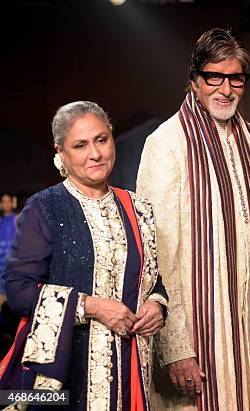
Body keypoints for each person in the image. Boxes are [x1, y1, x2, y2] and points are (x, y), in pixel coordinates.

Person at [136, 28, 250, 410]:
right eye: (214, 77)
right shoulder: (167, 144)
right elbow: (155, 252)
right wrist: (174, 347)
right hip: (200, 331)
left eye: (235, 78)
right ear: (194, 80)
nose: (225, 89)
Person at [0, 101, 168, 410]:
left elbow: (152, 279)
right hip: (65, 375)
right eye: (80, 145)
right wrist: (92, 306)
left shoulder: (139, 209)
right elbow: (18, 291)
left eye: (101, 140)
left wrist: (157, 305)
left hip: (132, 370)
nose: (95, 154)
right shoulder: (44, 208)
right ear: (61, 153)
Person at [0, 193, 16, 299]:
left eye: (8, 201)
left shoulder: (18, 220)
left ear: (12, 203)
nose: (6, 204)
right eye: (3, 202)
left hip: (14, 264)